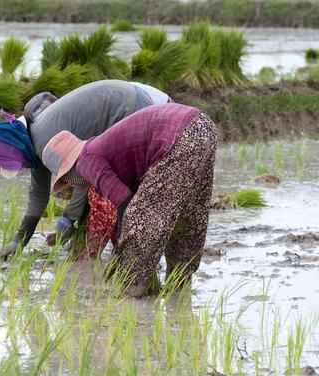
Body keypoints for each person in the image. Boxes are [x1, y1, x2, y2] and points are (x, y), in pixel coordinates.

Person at [0, 80, 171, 259]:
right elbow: (38, 194)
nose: (21, 166)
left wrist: (68, 218)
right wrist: (18, 241)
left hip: (131, 108)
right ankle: (118, 247)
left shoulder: (44, 142)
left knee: (113, 189)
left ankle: (129, 252)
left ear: (15, 150)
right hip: (130, 95)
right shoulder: (32, 140)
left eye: (16, 163)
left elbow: (84, 173)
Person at [41, 103, 217, 297]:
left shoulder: (85, 160)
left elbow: (125, 204)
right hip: (202, 127)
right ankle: (179, 284)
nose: (71, 183)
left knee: (141, 216)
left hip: (176, 136)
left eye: (66, 179)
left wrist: (121, 254)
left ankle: (130, 290)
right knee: (190, 214)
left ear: (69, 169)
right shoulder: (101, 147)